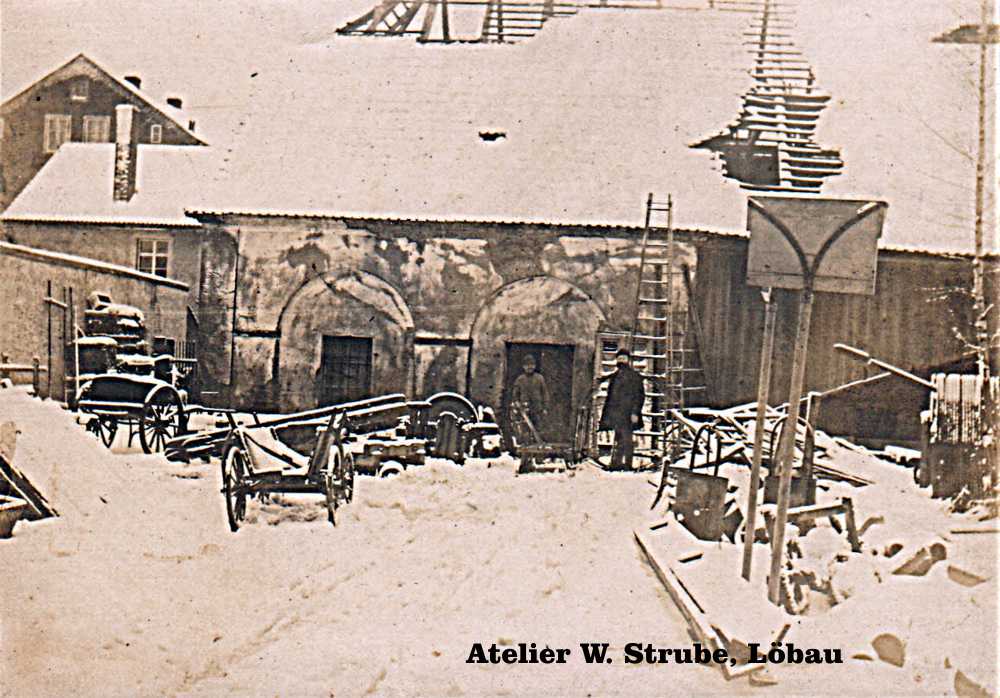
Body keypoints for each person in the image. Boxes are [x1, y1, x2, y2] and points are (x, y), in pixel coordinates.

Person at [599, 348, 645, 470]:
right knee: (618, 438)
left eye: (623, 359)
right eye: (619, 359)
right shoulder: (615, 376)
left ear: (628, 360)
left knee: (627, 439)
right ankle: (616, 463)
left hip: (628, 413)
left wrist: (635, 412)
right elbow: (611, 396)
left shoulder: (635, 377)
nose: (621, 361)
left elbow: (639, 396)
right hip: (616, 413)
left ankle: (628, 464)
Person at [511, 354, 549, 443]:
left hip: (537, 408)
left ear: (535, 366)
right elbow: (515, 394)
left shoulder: (539, 378)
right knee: (525, 428)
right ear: (523, 367)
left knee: (538, 427)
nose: (529, 367)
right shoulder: (520, 379)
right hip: (524, 408)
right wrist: (517, 403)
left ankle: (538, 445)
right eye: (527, 365)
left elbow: (545, 393)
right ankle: (526, 445)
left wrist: (545, 407)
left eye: (531, 365)